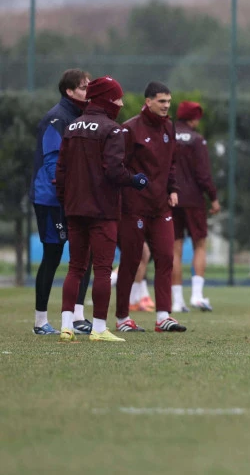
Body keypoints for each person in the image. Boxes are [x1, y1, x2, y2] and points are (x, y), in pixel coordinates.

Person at [55, 76, 147, 342]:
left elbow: (60, 172)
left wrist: (65, 201)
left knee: (75, 268)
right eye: (117, 98)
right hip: (102, 210)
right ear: (107, 99)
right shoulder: (113, 129)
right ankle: (98, 328)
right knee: (103, 270)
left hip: (75, 208)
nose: (120, 103)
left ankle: (66, 326)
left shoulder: (72, 127)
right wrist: (134, 180)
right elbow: (114, 171)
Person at [114, 81, 185, 334]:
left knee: (166, 257)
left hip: (161, 207)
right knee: (131, 260)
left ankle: (163, 316)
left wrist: (173, 189)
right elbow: (117, 167)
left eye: (169, 101)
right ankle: (122, 317)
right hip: (134, 207)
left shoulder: (169, 127)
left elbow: (171, 163)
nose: (167, 106)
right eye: (162, 101)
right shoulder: (129, 129)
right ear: (148, 102)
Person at [30, 68, 93, 335]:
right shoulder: (56, 119)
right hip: (51, 199)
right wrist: (66, 195)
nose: (88, 90)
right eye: (83, 87)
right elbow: (53, 162)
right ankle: (40, 321)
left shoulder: (83, 117)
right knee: (53, 256)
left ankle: (78, 317)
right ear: (69, 91)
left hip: (73, 198)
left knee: (84, 255)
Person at [172, 100, 220, 313]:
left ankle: (176, 300)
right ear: (194, 118)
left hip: (171, 198)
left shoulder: (167, 136)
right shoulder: (197, 140)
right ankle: (197, 296)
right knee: (199, 245)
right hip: (193, 199)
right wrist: (213, 197)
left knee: (175, 249)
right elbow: (203, 174)